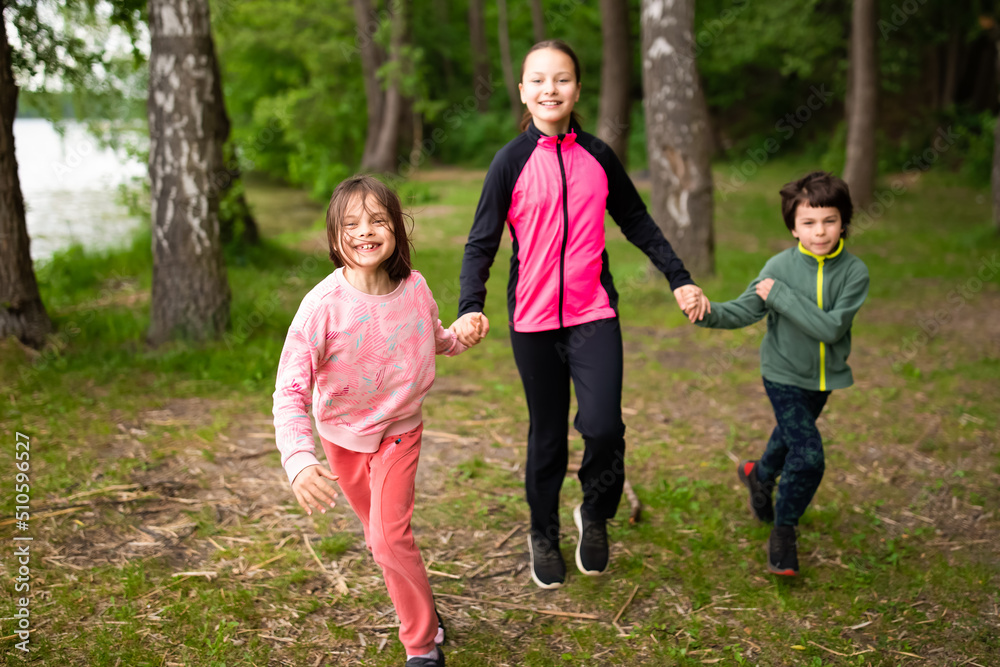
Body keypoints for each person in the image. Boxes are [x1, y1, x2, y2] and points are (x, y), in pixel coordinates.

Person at [452, 40, 709, 590]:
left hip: (594, 313)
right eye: (539, 80)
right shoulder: (510, 163)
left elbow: (637, 220)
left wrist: (679, 277)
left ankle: (595, 514)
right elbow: (480, 243)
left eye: (562, 79)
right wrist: (470, 306)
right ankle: (541, 531)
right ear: (523, 91)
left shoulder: (598, 155)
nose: (550, 89)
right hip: (534, 320)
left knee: (604, 426)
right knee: (547, 436)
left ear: (577, 89)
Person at [273, 175, 484, 667]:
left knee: (388, 537)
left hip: (400, 431)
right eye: (351, 224)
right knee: (381, 540)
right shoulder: (321, 308)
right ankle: (425, 612)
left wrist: (459, 336)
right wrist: (299, 459)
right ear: (333, 236)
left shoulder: (415, 289)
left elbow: (430, 335)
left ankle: (422, 644)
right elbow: (290, 390)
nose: (365, 231)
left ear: (396, 230)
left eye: (377, 220)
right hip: (342, 440)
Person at [694, 171, 869, 576]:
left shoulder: (854, 272)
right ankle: (784, 532)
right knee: (807, 456)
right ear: (793, 227)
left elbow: (830, 329)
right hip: (782, 375)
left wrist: (782, 296)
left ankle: (759, 474)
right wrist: (705, 311)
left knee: (790, 435)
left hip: (823, 380)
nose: (820, 231)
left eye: (829, 220)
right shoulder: (778, 266)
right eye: (808, 223)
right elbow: (743, 309)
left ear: (844, 221)